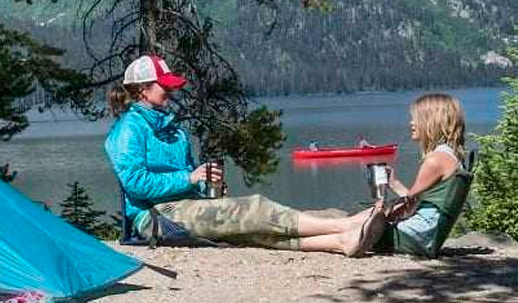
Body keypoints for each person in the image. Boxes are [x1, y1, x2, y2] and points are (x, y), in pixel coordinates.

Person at [104, 55, 386, 257]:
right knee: (254, 209)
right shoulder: (128, 130)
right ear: (143, 89)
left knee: (251, 228)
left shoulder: (174, 131)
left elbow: (189, 176)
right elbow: (136, 184)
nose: (172, 91)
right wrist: (189, 177)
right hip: (153, 218)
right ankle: (346, 225)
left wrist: (204, 184)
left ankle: (340, 240)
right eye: (165, 86)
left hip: (184, 206)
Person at [373, 93, 467, 257]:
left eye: (416, 119)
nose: (412, 123)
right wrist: (394, 183)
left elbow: (410, 204)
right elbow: (417, 200)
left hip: (414, 236)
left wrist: (381, 212)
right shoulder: (450, 155)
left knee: (354, 226)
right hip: (426, 234)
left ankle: (311, 239)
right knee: (349, 226)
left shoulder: (435, 159)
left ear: (432, 122)